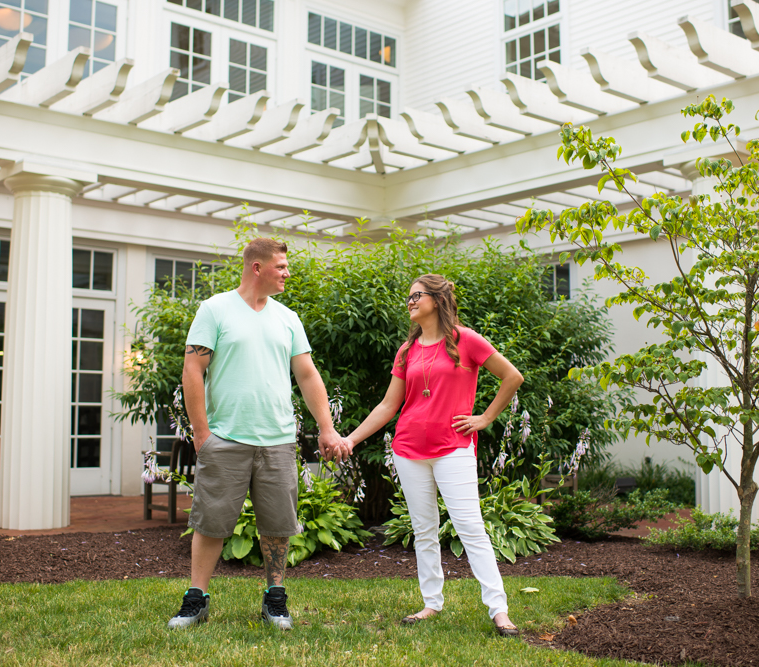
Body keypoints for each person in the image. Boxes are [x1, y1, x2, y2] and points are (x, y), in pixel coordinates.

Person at [168, 237, 348, 630]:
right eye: (281, 266)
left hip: (278, 439)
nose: (287, 273)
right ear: (257, 267)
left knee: (278, 524)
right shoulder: (215, 310)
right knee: (211, 521)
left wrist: (327, 426)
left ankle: (275, 598)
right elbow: (192, 370)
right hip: (226, 438)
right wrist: (201, 433)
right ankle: (196, 599)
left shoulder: (287, 317)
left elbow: (307, 374)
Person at [343, 274, 524, 636]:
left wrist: (485, 418)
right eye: (408, 297)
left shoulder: (466, 339)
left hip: (452, 448)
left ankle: (499, 610)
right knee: (424, 530)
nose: (410, 301)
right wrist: (350, 439)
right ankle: (431, 603)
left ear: (438, 300)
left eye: (417, 295)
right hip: (409, 449)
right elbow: (388, 405)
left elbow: (512, 376)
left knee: (470, 527)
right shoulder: (406, 350)